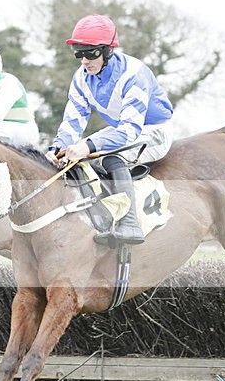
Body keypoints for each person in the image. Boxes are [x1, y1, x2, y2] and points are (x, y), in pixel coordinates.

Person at [46, 14, 174, 245]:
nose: (84, 60)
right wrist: (57, 148)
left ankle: (130, 223)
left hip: (153, 130)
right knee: (74, 155)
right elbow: (73, 122)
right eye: (78, 52)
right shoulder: (81, 78)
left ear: (108, 51)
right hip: (120, 128)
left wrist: (87, 146)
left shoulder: (134, 74)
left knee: (109, 157)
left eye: (91, 53)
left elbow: (129, 131)